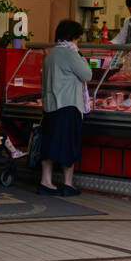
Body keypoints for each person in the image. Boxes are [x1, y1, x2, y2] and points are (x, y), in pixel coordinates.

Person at [38, 18, 91, 196]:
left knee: (49, 145)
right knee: (69, 144)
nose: (78, 42)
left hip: (50, 106)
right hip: (68, 105)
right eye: (78, 39)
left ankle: (46, 182)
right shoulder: (70, 53)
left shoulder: (51, 54)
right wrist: (80, 55)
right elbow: (87, 74)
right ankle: (68, 184)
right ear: (73, 37)